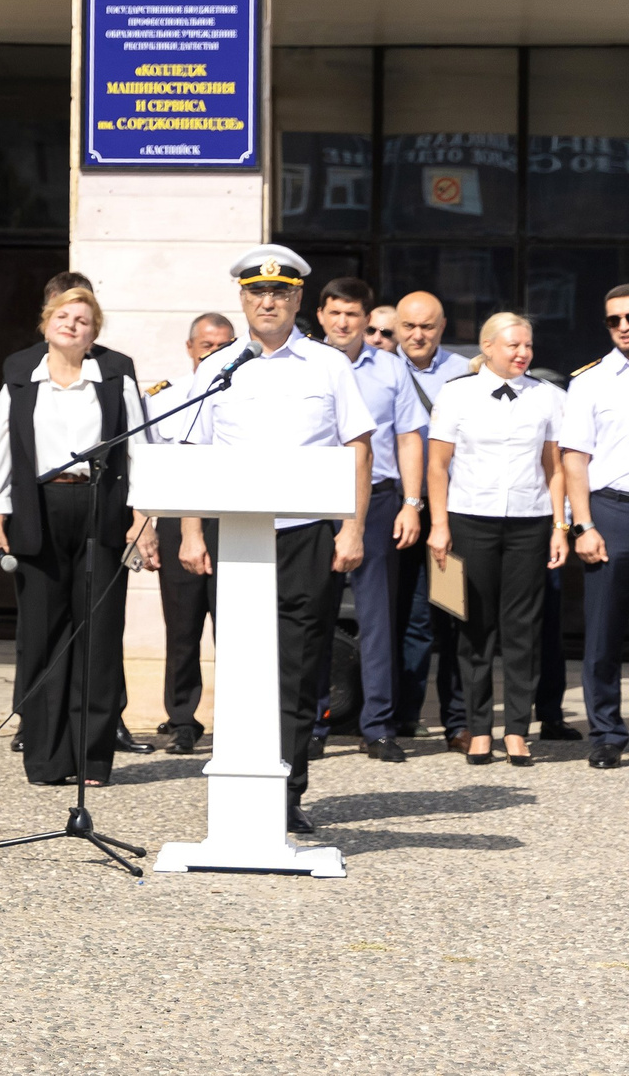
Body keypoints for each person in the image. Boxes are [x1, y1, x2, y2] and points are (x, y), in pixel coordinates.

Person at [180, 246, 372, 837]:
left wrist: (353, 526)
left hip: (306, 536)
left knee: (299, 668)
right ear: (242, 299)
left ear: (298, 301)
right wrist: (190, 531)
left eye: (281, 293)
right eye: (258, 292)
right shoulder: (219, 367)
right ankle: (239, 790)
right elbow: (194, 451)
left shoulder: (327, 365)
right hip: (236, 539)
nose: (268, 301)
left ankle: (287, 792)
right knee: (239, 667)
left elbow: (357, 445)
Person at [0, 286, 156, 786]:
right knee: (41, 634)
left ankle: (91, 759)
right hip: (39, 509)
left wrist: (143, 518)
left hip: (102, 506)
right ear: (45, 323)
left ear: (94, 331)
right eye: (63, 315)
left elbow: (140, 447)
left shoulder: (116, 375)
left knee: (97, 635)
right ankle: (45, 756)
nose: (71, 324)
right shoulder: (19, 375)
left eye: (83, 318)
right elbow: (1, 451)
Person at [424, 312, 567, 767]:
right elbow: (437, 466)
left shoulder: (548, 397)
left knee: (523, 630)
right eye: (513, 346)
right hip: (469, 520)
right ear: (487, 347)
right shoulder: (457, 394)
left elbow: (555, 467)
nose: (523, 353)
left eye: (527, 346)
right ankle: (479, 727)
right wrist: (440, 525)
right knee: (473, 628)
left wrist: (560, 527)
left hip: (529, 521)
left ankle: (518, 730)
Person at [314, 277, 427, 762]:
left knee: (379, 617)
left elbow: (409, 438)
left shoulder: (391, 370)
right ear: (321, 315)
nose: (343, 322)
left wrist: (411, 502)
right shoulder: (304, 365)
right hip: (312, 501)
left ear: (367, 319)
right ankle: (312, 723)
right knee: (312, 614)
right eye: (335, 313)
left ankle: (378, 726)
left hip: (378, 500)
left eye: (353, 314)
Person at [146, 311, 234, 754]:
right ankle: (182, 718)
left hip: (231, 520)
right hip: (177, 519)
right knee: (182, 628)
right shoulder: (166, 399)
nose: (216, 354)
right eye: (207, 347)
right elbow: (149, 468)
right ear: (190, 349)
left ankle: (236, 721)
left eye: (224, 347)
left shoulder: (246, 395)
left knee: (233, 627)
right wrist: (144, 526)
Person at [392, 290, 477, 746]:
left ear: (442, 327)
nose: (417, 335)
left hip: (448, 513)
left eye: (427, 326)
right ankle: (401, 715)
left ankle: (457, 721)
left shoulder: (465, 372)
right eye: (409, 326)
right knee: (405, 616)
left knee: (450, 613)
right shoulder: (383, 369)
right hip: (402, 510)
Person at [563, 283, 629, 771]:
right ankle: (607, 732)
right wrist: (582, 524)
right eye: (614, 320)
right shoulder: (590, 381)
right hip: (611, 510)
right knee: (603, 632)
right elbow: (575, 460)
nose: (624, 326)